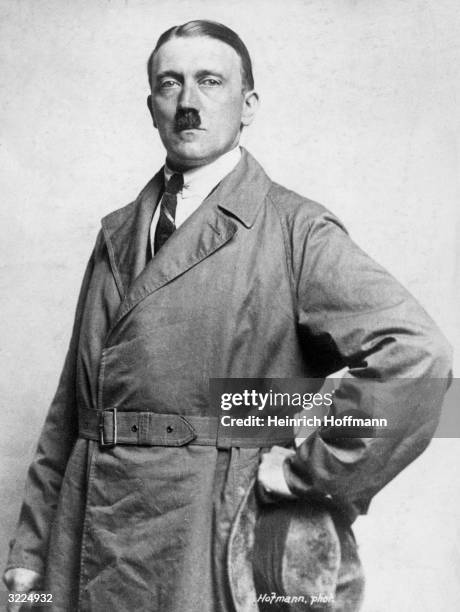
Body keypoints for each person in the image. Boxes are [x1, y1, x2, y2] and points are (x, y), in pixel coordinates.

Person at [3, 19, 452, 612]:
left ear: (248, 106)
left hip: (206, 535)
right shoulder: (115, 233)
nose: (188, 102)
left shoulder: (295, 230)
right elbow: (71, 410)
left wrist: (303, 470)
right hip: (84, 532)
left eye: (209, 82)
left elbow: (419, 358)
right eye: (170, 84)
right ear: (152, 106)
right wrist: (29, 553)